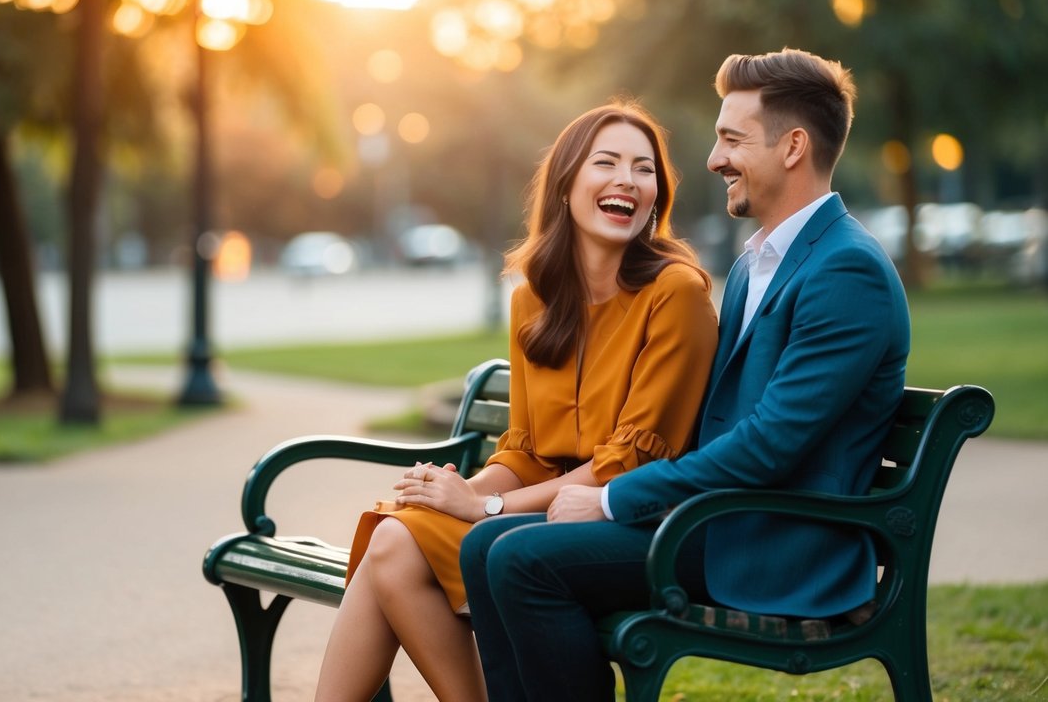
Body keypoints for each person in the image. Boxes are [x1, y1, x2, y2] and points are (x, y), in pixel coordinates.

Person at [459, 48, 912, 701]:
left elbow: (767, 445)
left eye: (730, 139)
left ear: (791, 147)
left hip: (775, 543)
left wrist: (613, 497)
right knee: (484, 548)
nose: (713, 159)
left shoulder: (846, 270)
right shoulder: (761, 261)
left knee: (520, 558)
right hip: (718, 521)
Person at [313, 102, 719, 702]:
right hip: (535, 512)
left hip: (622, 520)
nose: (627, 181)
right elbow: (525, 449)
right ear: (566, 184)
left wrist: (488, 508)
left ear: (657, 195)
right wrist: (458, 494)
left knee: (407, 545)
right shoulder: (534, 298)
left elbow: (630, 463)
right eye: (606, 163)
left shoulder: (675, 292)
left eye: (644, 169)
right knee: (395, 533)